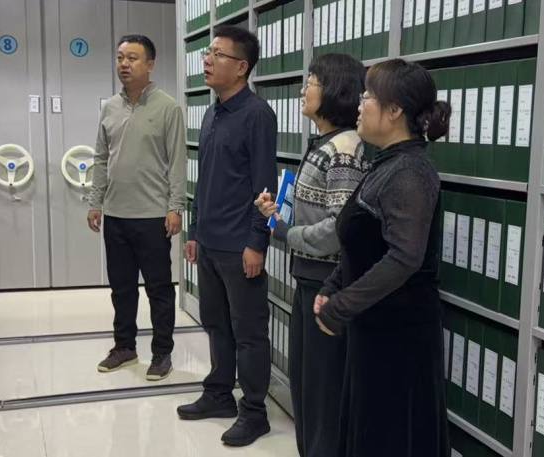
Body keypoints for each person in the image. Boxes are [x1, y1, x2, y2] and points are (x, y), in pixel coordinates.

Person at [312, 59, 451, 456]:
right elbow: (364, 241)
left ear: (394, 111)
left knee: (390, 437)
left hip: (398, 339)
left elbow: (404, 257)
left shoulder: (410, 172)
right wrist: (333, 284)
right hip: (374, 327)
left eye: (368, 96)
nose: (359, 104)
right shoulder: (386, 162)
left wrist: (340, 307)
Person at [254, 53, 368, 457]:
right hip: (308, 277)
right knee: (306, 387)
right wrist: (277, 215)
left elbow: (339, 230)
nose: (304, 90)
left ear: (334, 91)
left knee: (323, 393)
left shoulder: (344, 149)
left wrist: (288, 233)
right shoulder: (324, 143)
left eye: (312, 82)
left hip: (327, 285)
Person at [177, 25, 277, 448]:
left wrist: (257, 242)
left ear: (241, 67)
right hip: (210, 242)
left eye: (218, 54)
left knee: (249, 331)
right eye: (208, 52)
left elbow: (265, 186)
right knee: (216, 323)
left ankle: (254, 412)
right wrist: (194, 230)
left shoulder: (257, 115)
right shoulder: (212, 111)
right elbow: (205, 181)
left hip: (240, 247)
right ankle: (219, 394)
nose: (207, 60)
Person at [87, 35, 186, 382]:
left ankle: (162, 353)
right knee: (122, 288)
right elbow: (101, 158)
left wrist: (176, 207)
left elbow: (177, 162)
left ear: (150, 64)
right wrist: (95, 201)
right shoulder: (109, 108)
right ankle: (124, 347)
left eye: (132, 58)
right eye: (120, 58)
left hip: (153, 216)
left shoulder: (168, 107)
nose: (124, 64)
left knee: (159, 289)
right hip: (116, 215)